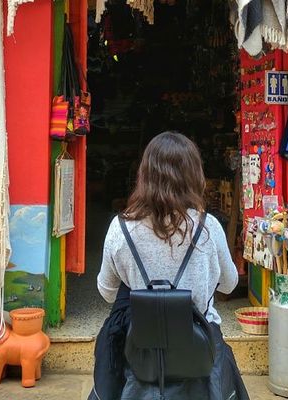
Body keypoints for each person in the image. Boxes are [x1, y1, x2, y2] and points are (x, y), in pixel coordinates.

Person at [90, 132, 248, 400]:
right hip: (201, 348)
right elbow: (230, 283)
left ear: (145, 175)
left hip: (141, 351)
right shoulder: (207, 227)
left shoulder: (120, 229)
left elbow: (106, 292)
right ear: (194, 176)